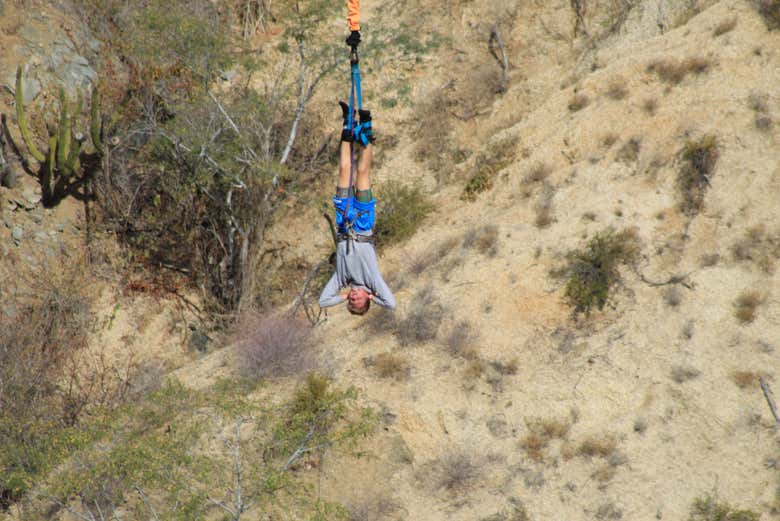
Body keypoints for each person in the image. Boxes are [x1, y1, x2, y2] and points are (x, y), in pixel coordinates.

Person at [318, 102, 396, 315]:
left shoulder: (342, 279)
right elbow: (391, 303)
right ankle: (367, 126)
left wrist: (341, 296)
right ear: (367, 297)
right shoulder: (372, 280)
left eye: (351, 301)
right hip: (362, 223)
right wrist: (373, 296)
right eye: (358, 300)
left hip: (344, 223)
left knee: (344, 168)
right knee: (362, 172)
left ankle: (347, 122)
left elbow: (323, 301)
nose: (353, 297)